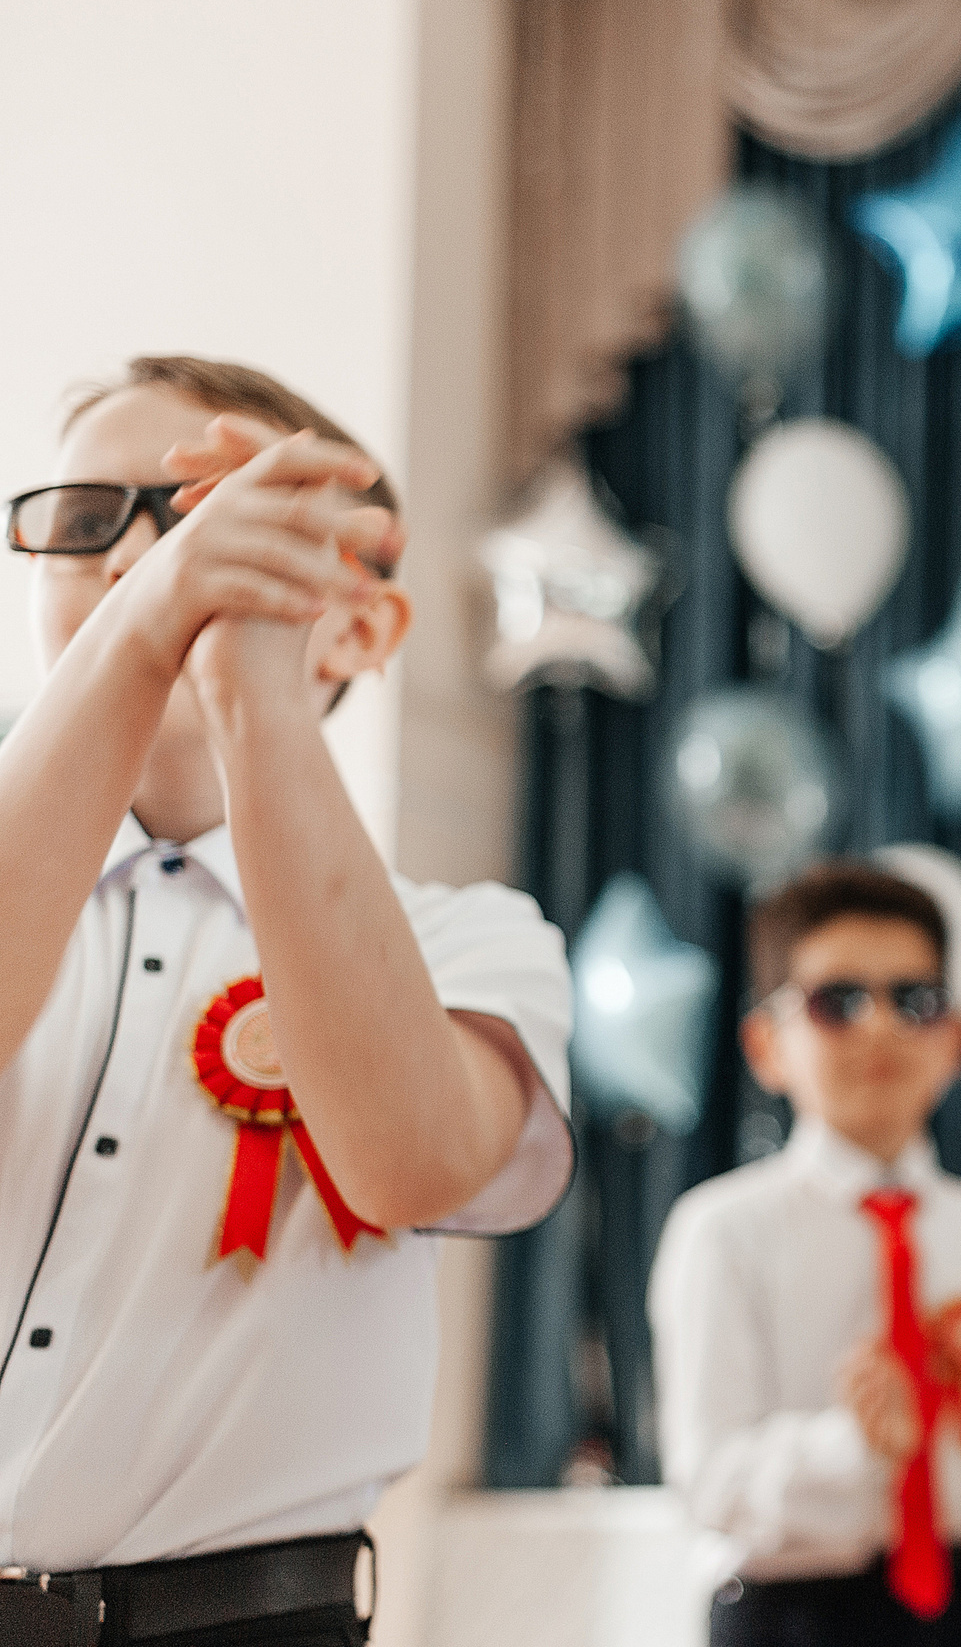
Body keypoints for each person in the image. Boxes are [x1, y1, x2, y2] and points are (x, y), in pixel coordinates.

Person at [0, 357, 572, 1642]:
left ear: (362, 625)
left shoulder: (469, 939)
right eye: (88, 521)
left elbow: (410, 1164)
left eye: (207, 522)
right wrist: (145, 636)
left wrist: (253, 690)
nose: (142, 562)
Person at [651, 860, 961, 1647]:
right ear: (767, 1044)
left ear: (955, 1037)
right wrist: (856, 1446)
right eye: (838, 1002)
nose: (880, 1027)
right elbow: (711, 1482)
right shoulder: (722, 1228)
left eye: (915, 999)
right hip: (787, 1614)